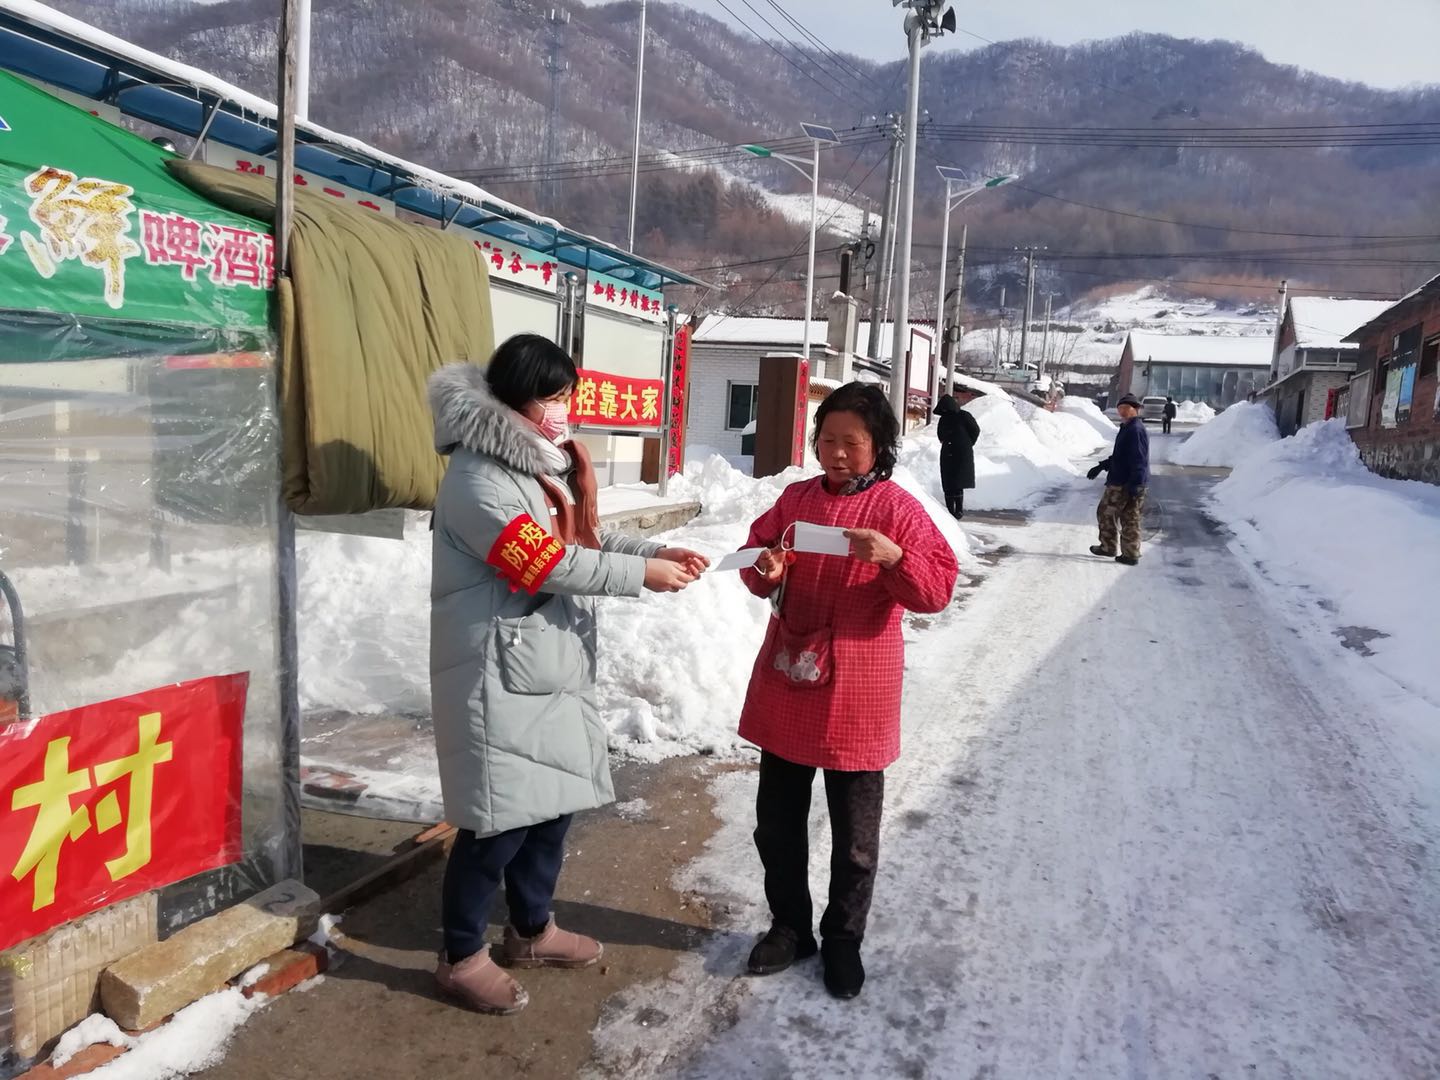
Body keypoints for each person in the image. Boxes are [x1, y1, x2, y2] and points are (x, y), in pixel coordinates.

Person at [427, 334, 709, 1015]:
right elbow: (542, 564)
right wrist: (642, 575)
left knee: (550, 810)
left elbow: (580, 535)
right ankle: (461, 953)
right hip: (498, 673)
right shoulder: (477, 479)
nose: (563, 409)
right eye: (552, 396)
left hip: (543, 665)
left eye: (566, 395)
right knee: (498, 824)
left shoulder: (531, 466)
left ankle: (531, 930)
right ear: (514, 399)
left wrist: (651, 548)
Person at [735, 382, 960, 1000]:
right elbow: (755, 557)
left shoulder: (898, 510)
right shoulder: (797, 498)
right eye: (827, 440)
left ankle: (842, 939)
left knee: (854, 840)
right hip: (790, 678)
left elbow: (935, 593)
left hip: (858, 692)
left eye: (851, 444)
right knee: (775, 826)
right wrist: (767, 567)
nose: (836, 454)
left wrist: (892, 558)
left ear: (879, 446)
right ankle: (790, 928)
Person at [1087, 392, 1150, 565]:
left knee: (1125, 517)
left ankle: (1125, 552)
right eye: (1120, 408)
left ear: (1136, 409)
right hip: (1120, 481)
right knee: (1114, 515)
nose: (1122, 411)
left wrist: (1136, 485)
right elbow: (1122, 456)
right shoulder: (1128, 427)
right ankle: (1113, 548)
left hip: (1125, 483)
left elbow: (1139, 460)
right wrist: (1103, 465)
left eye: (1126, 408)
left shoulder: (1135, 430)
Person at [933, 387, 982, 519]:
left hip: (954, 453)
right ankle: (954, 510)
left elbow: (975, 430)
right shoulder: (961, 416)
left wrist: (967, 443)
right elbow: (975, 430)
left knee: (953, 482)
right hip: (957, 453)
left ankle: (955, 510)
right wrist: (967, 443)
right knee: (954, 482)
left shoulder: (959, 417)